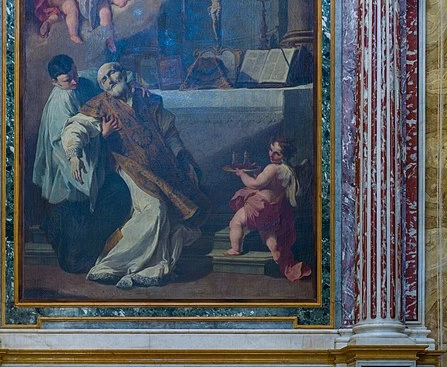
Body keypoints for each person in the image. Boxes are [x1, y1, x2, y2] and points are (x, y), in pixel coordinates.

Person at [62, 61, 207, 288]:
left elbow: (169, 133)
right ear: (103, 87)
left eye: (113, 73)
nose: (110, 80)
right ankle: (111, 266)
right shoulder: (100, 105)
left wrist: (182, 157)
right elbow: (76, 127)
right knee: (156, 209)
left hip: (164, 169)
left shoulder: (147, 99)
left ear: (124, 72)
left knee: (173, 217)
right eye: (104, 80)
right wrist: (73, 154)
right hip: (130, 168)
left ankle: (149, 266)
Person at [31, 55, 129, 273]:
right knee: (75, 216)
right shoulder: (60, 102)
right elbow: (64, 139)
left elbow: (105, 97)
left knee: (118, 195)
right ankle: (75, 255)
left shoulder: (82, 84)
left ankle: (102, 249)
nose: (75, 81)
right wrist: (100, 135)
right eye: (68, 80)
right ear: (55, 82)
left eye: (75, 74)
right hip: (68, 165)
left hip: (93, 160)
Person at [226, 136, 312, 282]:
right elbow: (270, 184)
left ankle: (235, 249)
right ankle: (276, 252)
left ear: (284, 155)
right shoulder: (287, 170)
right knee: (266, 232)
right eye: (271, 150)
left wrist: (242, 174)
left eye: (277, 153)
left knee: (235, 223)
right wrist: (259, 172)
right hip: (274, 209)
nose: (271, 154)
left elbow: (255, 184)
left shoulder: (272, 168)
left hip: (259, 205)